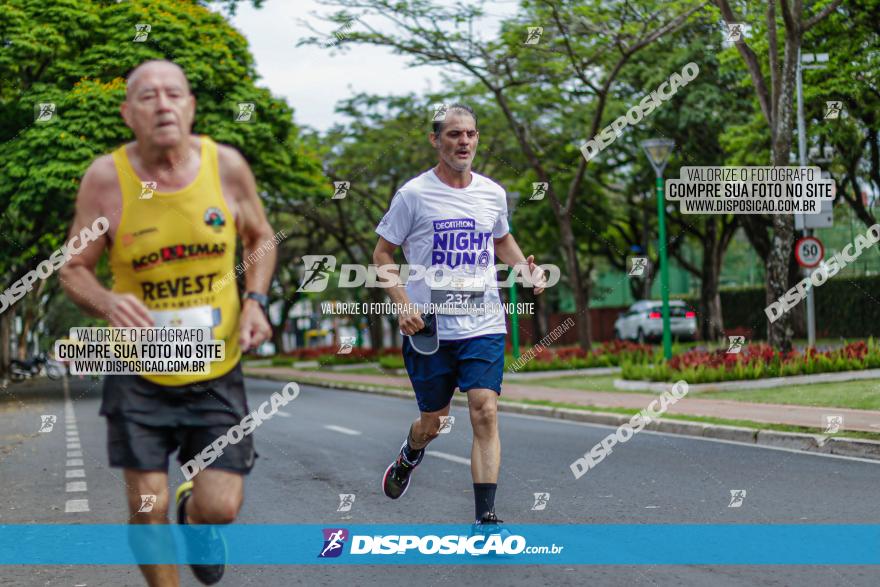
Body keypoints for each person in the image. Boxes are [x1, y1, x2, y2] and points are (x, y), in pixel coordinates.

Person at [59, 59, 277, 586]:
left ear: (190, 106)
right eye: (148, 96)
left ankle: (197, 516)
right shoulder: (105, 179)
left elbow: (260, 238)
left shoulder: (224, 166)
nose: (163, 104)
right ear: (128, 113)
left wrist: (256, 300)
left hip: (215, 367)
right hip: (141, 371)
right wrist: (109, 305)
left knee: (221, 505)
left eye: (174, 94)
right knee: (145, 505)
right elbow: (72, 268)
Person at [373, 103, 546, 530]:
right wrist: (401, 302)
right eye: (453, 134)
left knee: (484, 408)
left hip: (483, 321)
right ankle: (412, 451)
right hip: (429, 327)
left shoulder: (492, 192)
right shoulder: (413, 195)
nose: (463, 141)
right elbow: (381, 254)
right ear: (435, 140)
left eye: (470, 134)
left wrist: (525, 269)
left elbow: (502, 238)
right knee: (434, 421)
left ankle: (485, 516)